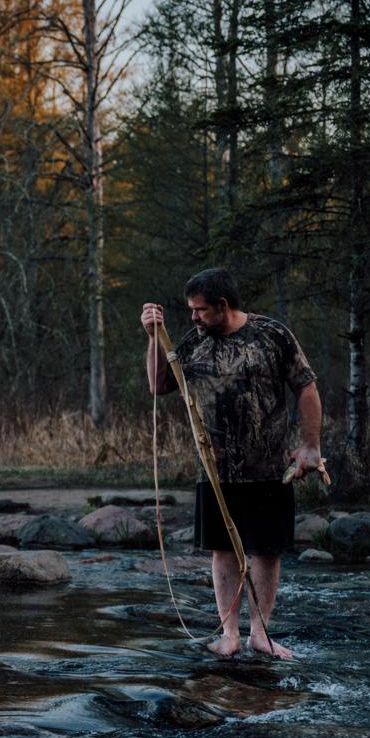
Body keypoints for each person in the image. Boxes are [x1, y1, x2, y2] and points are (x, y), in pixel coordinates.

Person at [141, 267, 323, 659]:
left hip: (270, 467)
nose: (193, 317)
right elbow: (159, 385)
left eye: (200, 310)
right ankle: (230, 635)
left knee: (266, 549)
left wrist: (310, 446)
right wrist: (154, 338)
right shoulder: (193, 342)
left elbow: (306, 386)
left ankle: (261, 634)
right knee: (222, 550)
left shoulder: (272, 335)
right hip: (215, 468)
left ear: (223, 305)